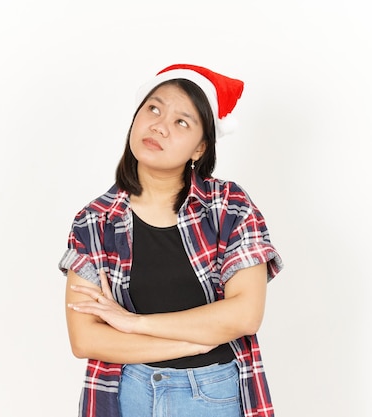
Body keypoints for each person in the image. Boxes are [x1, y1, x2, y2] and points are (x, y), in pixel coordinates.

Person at [58, 64, 284, 417]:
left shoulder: (229, 206)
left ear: (200, 147)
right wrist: (191, 341)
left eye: (182, 122)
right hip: (127, 392)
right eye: (153, 108)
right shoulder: (94, 221)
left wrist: (135, 324)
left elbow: (245, 315)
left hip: (213, 393)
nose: (159, 125)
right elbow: (85, 339)